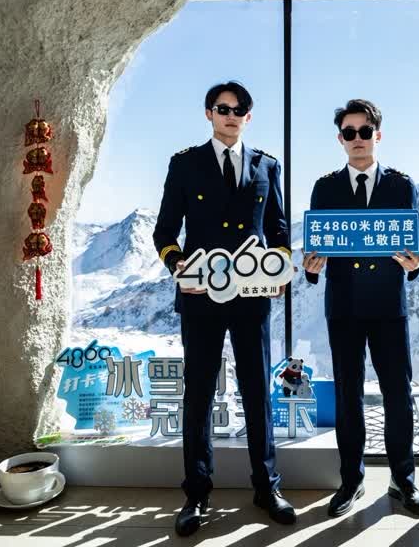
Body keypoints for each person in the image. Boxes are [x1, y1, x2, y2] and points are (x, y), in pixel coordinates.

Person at [153, 81, 295, 537]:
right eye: (223, 108)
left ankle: (267, 488)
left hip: (252, 297)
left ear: (248, 117)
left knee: (257, 391)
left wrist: (279, 268)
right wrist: (179, 266)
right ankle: (196, 494)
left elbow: (278, 230)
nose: (231, 115)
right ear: (209, 113)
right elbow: (164, 232)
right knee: (198, 394)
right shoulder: (185, 164)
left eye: (240, 109)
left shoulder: (266, 165)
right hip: (200, 298)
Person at [302, 99, 419, 518]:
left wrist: (415, 263)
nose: (357, 139)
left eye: (364, 131)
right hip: (344, 306)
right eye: (349, 132)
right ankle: (351, 481)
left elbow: (412, 245)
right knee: (348, 396)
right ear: (340, 139)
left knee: (398, 395)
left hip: (389, 306)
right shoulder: (325, 187)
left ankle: (403, 480)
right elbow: (317, 245)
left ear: (378, 135)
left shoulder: (401, 185)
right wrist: (311, 267)